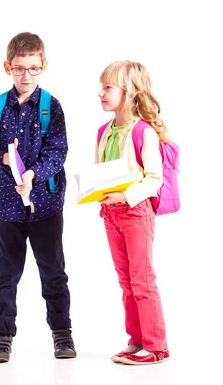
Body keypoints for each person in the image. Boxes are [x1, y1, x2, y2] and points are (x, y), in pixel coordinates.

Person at [0, 32, 76, 363]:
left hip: (46, 206)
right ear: (7, 67)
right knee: (5, 274)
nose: (26, 75)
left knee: (53, 272)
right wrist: (4, 158)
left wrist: (34, 174)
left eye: (34, 68)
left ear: (43, 66)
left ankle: (62, 333)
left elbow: (58, 151)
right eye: (19, 69)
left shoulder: (51, 107)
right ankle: (1, 338)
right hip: (7, 207)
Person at [96, 60, 169, 365]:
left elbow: (154, 179)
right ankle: (136, 340)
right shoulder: (103, 131)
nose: (101, 93)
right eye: (101, 87)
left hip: (136, 212)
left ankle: (156, 347)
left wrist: (125, 196)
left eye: (108, 87)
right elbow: (101, 173)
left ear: (129, 91)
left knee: (142, 279)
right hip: (110, 213)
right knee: (126, 281)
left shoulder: (144, 132)